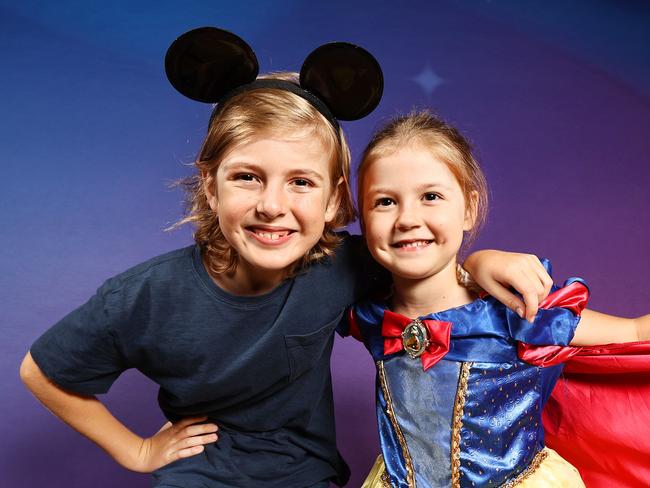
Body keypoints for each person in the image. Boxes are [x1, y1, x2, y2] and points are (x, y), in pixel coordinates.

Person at [19, 28, 555, 488]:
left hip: (306, 474)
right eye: (247, 177)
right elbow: (41, 372)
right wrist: (135, 450)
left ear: (332, 201)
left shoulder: (344, 266)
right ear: (210, 186)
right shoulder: (144, 296)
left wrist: (480, 262)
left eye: (301, 182)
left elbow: (427, 272)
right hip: (200, 476)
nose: (272, 206)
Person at [345, 111, 650, 487]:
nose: (407, 218)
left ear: (469, 208)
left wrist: (478, 262)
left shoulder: (512, 309)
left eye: (431, 196)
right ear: (361, 215)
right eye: (385, 202)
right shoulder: (367, 313)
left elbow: (633, 330)